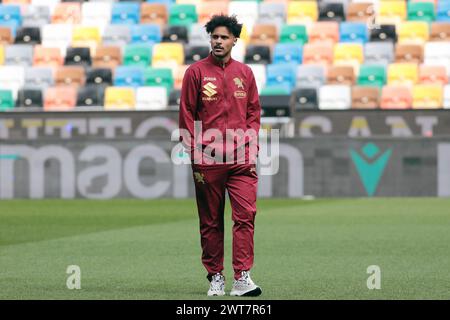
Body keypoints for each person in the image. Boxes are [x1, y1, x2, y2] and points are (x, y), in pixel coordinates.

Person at [178, 14, 262, 297]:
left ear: (234, 41)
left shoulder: (245, 74)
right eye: (214, 37)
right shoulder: (196, 72)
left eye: (224, 37)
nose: (218, 41)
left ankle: (242, 277)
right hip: (208, 159)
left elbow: (253, 112)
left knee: (245, 216)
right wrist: (194, 152)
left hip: (241, 158)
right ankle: (215, 276)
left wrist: (251, 147)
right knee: (211, 221)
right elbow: (187, 114)